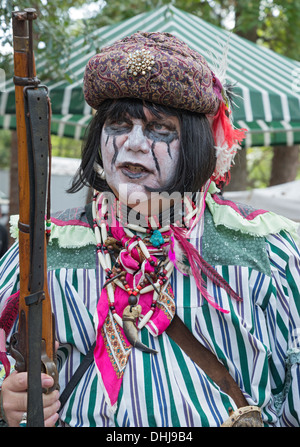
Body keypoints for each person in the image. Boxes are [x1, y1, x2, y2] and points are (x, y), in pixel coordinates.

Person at [0, 31, 300, 428]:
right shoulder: (45, 246)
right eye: (119, 124)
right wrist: (6, 400)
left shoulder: (269, 248)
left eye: (159, 128)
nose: (133, 144)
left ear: (196, 142)